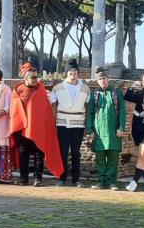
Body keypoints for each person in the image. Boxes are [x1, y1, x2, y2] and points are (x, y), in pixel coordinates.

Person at [9, 63, 63, 186]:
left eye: (36, 76)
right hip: (22, 128)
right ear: (25, 78)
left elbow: (44, 110)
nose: (35, 79)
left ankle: (38, 178)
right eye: (33, 77)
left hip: (38, 128)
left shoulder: (40, 90)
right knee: (23, 153)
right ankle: (24, 178)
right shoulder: (18, 90)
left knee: (39, 153)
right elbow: (14, 110)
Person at [49, 59, 90, 187]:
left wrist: (87, 125)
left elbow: (88, 107)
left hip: (78, 123)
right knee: (63, 151)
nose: (73, 73)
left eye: (75, 71)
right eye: (70, 71)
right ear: (66, 72)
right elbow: (53, 106)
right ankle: (62, 177)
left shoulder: (85, 88)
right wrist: (53, 122)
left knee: (76, 152)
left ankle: (76, 179)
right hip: (62, 122)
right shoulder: (58, 88)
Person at [86, 66, 126, 190]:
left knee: (113, 157)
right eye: (100, 79)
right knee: (100, 158)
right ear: (97, 81)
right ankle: (101, 181)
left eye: (104, 78)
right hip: (99, 131)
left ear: (108, 79)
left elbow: (123, 111)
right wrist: (90, 130)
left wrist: (121, 127)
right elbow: (90, 113)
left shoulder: (116, 92)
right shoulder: (94, 94)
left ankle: (112, 181)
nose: (102, 81)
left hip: (113, 130)